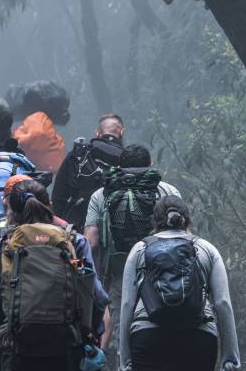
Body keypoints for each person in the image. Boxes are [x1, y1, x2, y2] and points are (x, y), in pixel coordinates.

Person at [0, 179, 110, 371]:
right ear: (50, 206)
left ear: (11, 212)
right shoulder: (75, 243)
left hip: (18, 349)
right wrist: (91, 337)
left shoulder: (6, 246)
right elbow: (97, 298)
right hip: (66, 349)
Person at [83, 144, 181, 367]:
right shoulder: (168, 191)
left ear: (119, 166)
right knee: (164, 329)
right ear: (150, 166)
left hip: (120, 274)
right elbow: (182, 235)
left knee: (124, 333)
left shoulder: (102, 194)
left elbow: (91, 240)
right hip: (163, 274)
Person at [120, 195, 240, 371]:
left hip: (148, 336)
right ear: (187, 220)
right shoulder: (207, 249)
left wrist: (125, 360)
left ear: (155, 221)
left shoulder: (140, 249)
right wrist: (230, 357)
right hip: (198, 337)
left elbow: (127, 304)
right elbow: (222, 303)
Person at [52, 114, 125, 232]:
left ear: (97, 133)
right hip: (117, 228)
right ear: (122, 132)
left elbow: (58, 195)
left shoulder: (79, 155)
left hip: (77, 226)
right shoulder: (129, 158)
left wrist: (61, 225)